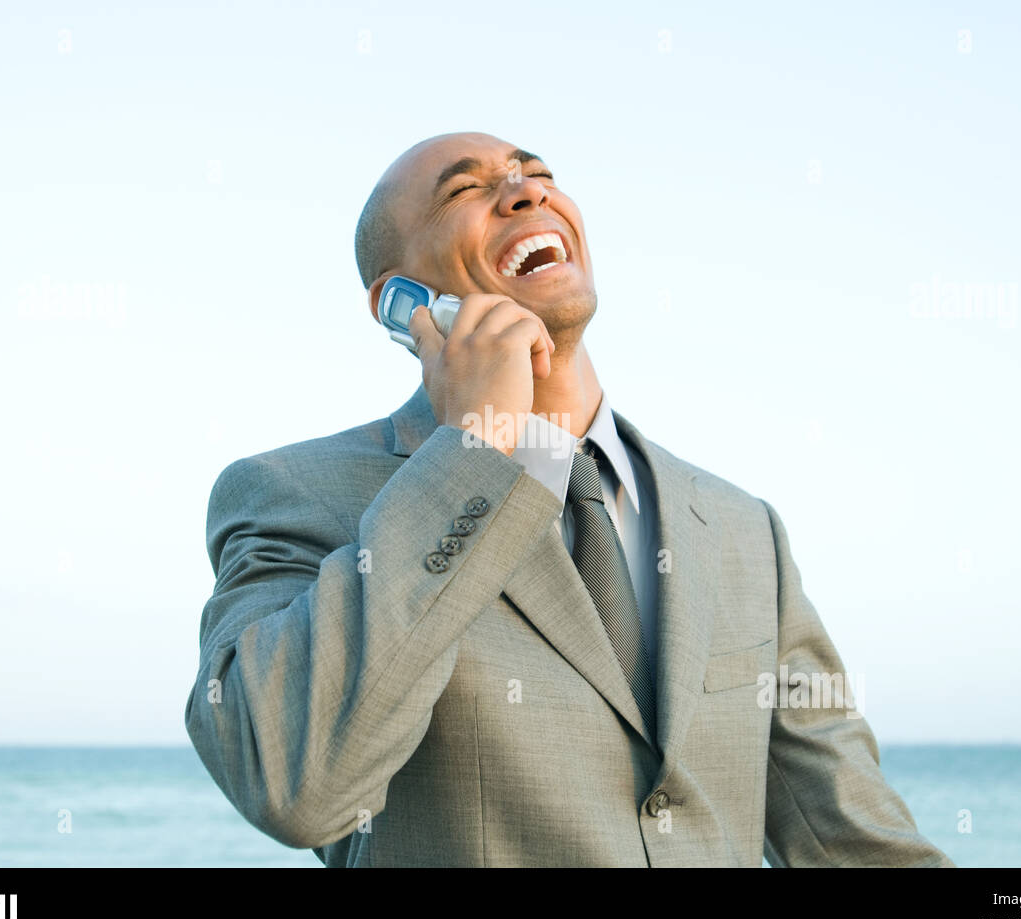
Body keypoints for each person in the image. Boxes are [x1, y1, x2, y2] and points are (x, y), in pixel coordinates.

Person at [184, 131, 953, 867]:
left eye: (537, 172)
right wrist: (477, 447)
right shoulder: (293, 494)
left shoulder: (742, 530)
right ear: (400, 302)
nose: (524, 191)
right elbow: (294, 783)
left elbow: (858, 843)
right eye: (467, 188)